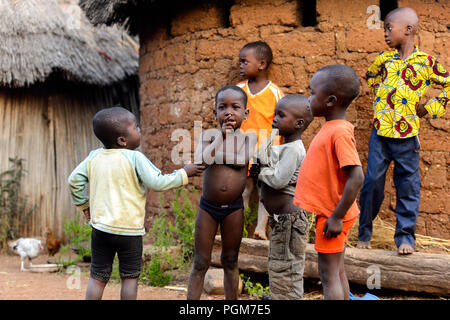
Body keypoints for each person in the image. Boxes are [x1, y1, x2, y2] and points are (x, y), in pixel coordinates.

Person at [68, 106, 204, 300]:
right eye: (136, 127)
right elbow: (157, 182)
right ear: (122, 140)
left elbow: (73, 180)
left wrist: (84, 206)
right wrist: (184, 173)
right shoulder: (135, 158)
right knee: (129, 278)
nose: (139, 129)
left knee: (97, 278)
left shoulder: (93, 157)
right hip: (129, 232)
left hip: (101, 230)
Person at [357, 7, 449, 255]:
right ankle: (364, 232)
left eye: (389, 27)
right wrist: (381, 101)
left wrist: (430, 106)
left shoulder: (426, 63)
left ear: (408, 30)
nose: (385, 33)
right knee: (372, 182)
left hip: (408, 137)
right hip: (381, 134)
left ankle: (405, 238)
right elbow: (371, 76)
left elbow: (448, 84)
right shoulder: (384, 59)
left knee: (408, 186)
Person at [293, 65, 365, 300]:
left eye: (312, 93)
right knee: (337, 271)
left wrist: (335, 216)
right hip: (332, 211)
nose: (308, 98)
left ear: (331, 100)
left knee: (328, 275)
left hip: (333, 214)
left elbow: (357, 177)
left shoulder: (339, 133)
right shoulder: (333, 128)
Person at [188, 85, 257, 300]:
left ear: (245, 113)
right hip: (208, 208)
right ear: (215, 113)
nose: (228, 112)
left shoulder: (249, 138)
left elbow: (240, 162)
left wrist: (214, 155)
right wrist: (221, 138)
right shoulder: (209, 135)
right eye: (222, 107)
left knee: (230, 260)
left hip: (234, 209)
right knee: (200, 261)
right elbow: (201, 161)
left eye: (235, 107)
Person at [250, 94, 313, 300]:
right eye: (275, 114)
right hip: (283, 220)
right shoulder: (283, 146)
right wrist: (270, 136)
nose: (274, 118)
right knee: (285, 262)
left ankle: (284, 297)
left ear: (298, 123)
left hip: (289, 220)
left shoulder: (294, 150)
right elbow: (260, 156)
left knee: (283, 264)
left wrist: (259, 172)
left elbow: (277, 180)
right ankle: (284, 296)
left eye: (281, 115)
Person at [237, 40, 284, 240]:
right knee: (244, 189)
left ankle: (260, 228)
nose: (240, 65)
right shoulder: (239, 91)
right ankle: (237, 227)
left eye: (244, 61)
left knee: (263, 189)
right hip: (244, 151)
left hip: (264, 153)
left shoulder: (274, 93)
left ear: (262, 64)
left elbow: (282, 121)